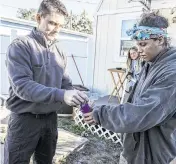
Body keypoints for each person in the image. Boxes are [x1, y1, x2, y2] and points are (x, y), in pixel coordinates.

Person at [84, 12, 176, 164]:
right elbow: (132, 103)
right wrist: (98, 107)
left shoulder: (171, 72)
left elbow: (142, 113)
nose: (138, 50)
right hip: (134, 151)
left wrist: (100, 114)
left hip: (154, 156)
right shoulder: (150, 64)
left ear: (160, 40)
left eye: (143, 44)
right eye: (137, 45)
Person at [4, 0, 88, 163]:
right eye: (52, 23)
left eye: (60, 25)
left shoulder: (60, 51)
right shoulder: (21, 46)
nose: (56, 29)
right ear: (38, 18)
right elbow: (23, 86)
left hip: (50, 120)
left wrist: (84, 106)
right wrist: (61, 94)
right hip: (24, 121)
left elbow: (65, 84)